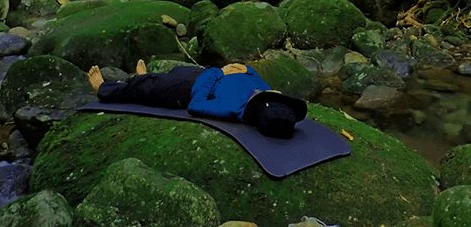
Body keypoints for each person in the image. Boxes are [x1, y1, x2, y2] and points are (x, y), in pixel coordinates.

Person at [88, 61, 307, 139]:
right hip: (207, 74)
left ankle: (104, 88)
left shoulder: (230, 108)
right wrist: (246, 69)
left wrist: (217, 73)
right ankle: (145, 76)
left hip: (191, 88)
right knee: (178, 69)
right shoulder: (267, 95)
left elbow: (196, 105)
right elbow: (257, 80)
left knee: (145, 88)